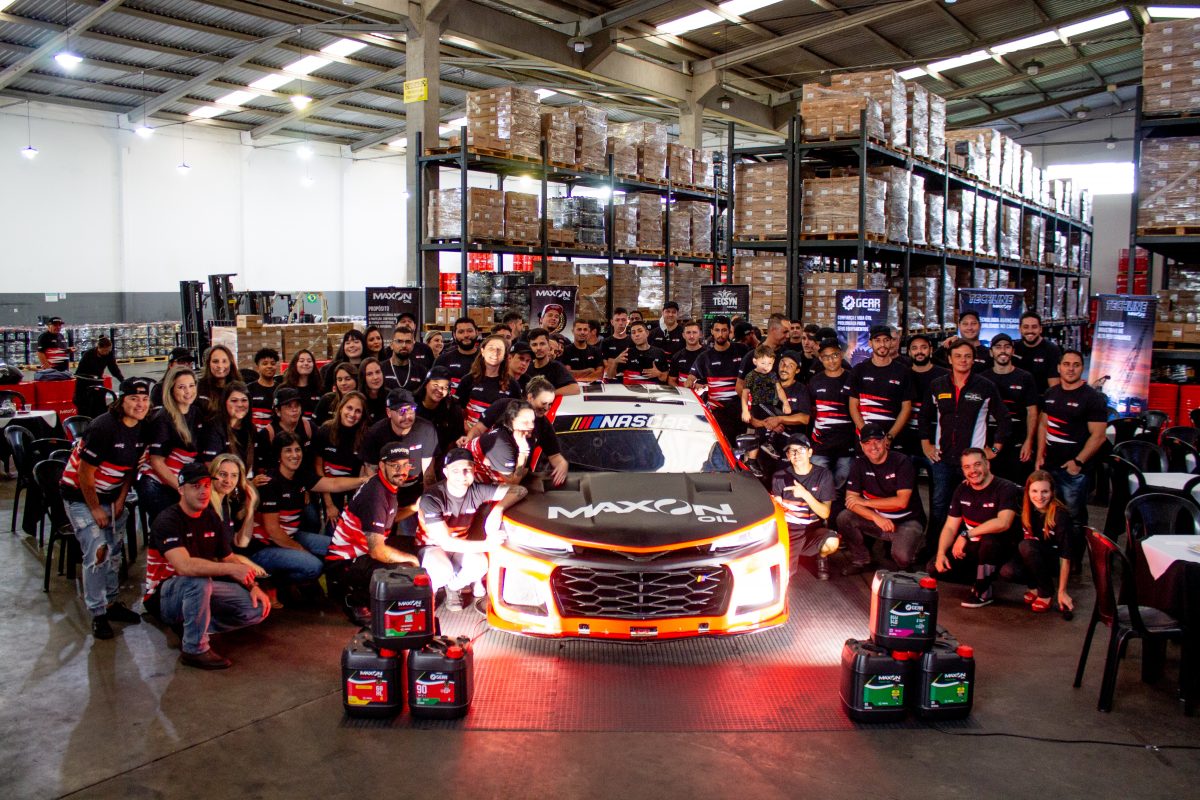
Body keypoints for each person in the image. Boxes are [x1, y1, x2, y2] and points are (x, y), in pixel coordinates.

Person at [141, 462, 270, 669]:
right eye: (195, 486)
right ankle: (194, 650)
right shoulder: (167, 520)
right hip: (164, 594)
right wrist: (232, 569)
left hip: (201, 588)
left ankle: (194, 626)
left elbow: (228, 557)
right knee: (198, 581)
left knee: (258, 608)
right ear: (181, 490)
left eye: (207, 485)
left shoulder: (210, 517)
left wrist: (252, 586)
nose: (203, 491)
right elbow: (184, 566)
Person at [60, 377, 152, 639]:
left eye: (144, 399)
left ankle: (111, 603)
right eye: (133, 399)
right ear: (121, 401)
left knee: (113, 552)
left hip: (112, 496)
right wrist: (96, 509)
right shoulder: (103, 427)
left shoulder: (143, 428)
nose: (140, 404)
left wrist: (120, 500)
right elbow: (84, 473)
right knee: (97, 551)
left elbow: (131, 469)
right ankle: (98, 613)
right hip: (80, 496)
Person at [920, 337, 1011, 546]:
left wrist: (995, 449)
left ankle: (967, 547)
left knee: (972, 506)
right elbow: (924, 416)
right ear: (949, 359)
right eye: (958, 356)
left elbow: (1004, 419)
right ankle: (933, 547)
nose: (963, 360)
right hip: (943, 458)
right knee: (939, 504)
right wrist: (926, 444)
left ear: (973, 360)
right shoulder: (937, 385)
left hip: (972, 463)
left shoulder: (985, 386)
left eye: (967, 356)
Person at [249, 432, 368, 588]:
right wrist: (301, 550)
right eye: (288, 450)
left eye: (297, 450)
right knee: (314, 566)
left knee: (343, 545)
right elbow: (273, 531)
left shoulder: (301, 476)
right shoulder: (269, 482)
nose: (295, 455)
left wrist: (364, 480)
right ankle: (273, 585)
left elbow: (333, 484)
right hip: (265, 547)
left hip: (291, 536)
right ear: (279, 455)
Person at [417, 448, 527, 611]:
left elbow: (520, 490)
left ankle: (453, 586)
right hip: (432, 547)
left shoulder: (477, 490)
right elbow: (446, 543)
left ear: (474, 470)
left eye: (467, 470)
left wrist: (498, 509)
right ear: (446, 472)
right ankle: (426, 598)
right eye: (455, 470)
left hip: (460, 545)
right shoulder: (432, 497)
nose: (462, 475)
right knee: (441, 570)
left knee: (480, 564)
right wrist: (487, 545)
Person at [325, 442, 420, 625]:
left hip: (363, 553)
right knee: (406, 568)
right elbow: (377, 551)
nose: (401, 471)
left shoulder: (385, 485)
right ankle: (354, 599)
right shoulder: (375, 495)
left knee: (413, 550)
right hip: (345, 563)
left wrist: (414, 507)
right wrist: (411, 560)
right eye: (395, 465)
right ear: (382, 466)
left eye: (405, 465)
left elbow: (389, 518)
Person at [1036, 349, 1108, 557]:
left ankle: (1074, 560)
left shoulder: (1092, 398)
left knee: (1074, 518)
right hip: (1049, 465)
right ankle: (1053, 557)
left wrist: (1078, 462)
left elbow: (1099, 436)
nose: (1070, 369)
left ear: (1082, 369)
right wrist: (1040, 454)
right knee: (1048, 513)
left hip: (1074, 470)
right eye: (1066, 364)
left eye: (1076, 365)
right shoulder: (1051, 394)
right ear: (1059, 368)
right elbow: (1043, 425)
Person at [930, 448, 1022, 608]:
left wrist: (966, 534)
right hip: (974, 548)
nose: (973, 470)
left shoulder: (1005, 487)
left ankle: (983, 591)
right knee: (933, 568)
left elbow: (1003, 522)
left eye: (977, 464)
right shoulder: (962, 489)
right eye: (967, 467)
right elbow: (950, 527)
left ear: (987, 464)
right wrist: (941, 554)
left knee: (989, 541)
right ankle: (983, 577)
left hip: (1001, 548)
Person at [837, 424, 926, 574]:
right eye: (867, 442)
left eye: (877, 441)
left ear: (885, 441)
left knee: (902, 558)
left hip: (906, 520)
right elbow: (850, 502)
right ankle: (861, 560)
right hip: (879, 518)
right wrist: (875, 517)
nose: (873, 446)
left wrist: (865, 502)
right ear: (861, 445)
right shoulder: (859, 464)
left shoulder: (902, 461)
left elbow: (901, 502)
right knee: (844, 518)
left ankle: (907, 562)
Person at [359, 389, 439, 535]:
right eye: (401, 411)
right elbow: (371, 473)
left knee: (414, 534)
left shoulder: (426, 429)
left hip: (414, 489)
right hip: (386, 490)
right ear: (389, 413)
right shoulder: (375, 434)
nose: (407, 416)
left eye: (411, 410)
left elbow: (429, 472)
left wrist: (427, 503)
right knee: (383, 533)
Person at [138, 366, 211, 526]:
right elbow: (157, 462)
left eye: (191, 385)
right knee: (170, 528)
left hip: (181, 481)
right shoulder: (163, 418)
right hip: (157, 484)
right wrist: (182, 489)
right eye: (181, 387)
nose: (188, 391)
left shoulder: (197, 412)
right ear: (171, 389)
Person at [466, 377, 568, 486]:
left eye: (550, 404)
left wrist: (562, 464)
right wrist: (467, 446)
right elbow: (478, 429)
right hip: (493, 471)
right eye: (544, 403)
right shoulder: (502, 413)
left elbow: (555, 455)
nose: (547, 408)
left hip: (517, 472)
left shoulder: (543, 424)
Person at [770, 434, 838, 580]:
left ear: (810, 453)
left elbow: (825, 513)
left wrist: (805, 494)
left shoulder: (823, 475)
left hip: (810, 530)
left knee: (832, 541)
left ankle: (821, 557)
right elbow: (776, 509)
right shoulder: (779, 476)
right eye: (792, 451)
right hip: (788, 530)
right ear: (788, 455)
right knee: (782, 573)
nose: (796, 454)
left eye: (801, 450)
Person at [982, 333, 1039, 487]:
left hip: (1017, 444)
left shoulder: (1025, 377)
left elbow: (1032, 412)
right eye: (998, 347)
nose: (1003, 351)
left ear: (1013, 351)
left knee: (1018, 489)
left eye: (1007, 347)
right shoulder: (982, 379)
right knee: (992, 489)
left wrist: (1029, 442)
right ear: (991, 352)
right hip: (991, 445)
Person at [1014, 471, 1075, 614]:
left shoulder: (1060, 515)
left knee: (1026, 545)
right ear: (1027, 491)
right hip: (1034, 557)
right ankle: (1034, 586)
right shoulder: (1025, 507)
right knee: (1008, 571)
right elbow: (1005, 485)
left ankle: (1046, 592)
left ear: (1052, 492)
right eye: (1034, 491)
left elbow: (1066, 557)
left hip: (1054, 561)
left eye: (1045, 492)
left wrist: (1062, 591)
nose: (1039, 496)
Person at [848, 324, 913, 444]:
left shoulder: (903, 371)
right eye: (877, 340)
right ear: (870, 343)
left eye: (886, 340)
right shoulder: (859, 370)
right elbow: (853, 406)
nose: (882, 344)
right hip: (865, 441)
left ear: (891, 342)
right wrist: (868, 435)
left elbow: (906, 407)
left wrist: (890, 436)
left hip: (893, 440)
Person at [312, 391, 368, 520]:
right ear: (341, 408)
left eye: (358, 411)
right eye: (349, 408)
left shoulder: (365, 437)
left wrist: (355, 503)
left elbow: (364, 473)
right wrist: (329, 504)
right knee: (331, 530)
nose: (352, 414)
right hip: (329, 492)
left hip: (353, 493)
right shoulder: (325, 431)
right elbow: (318, 467)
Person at [808, 337, 857, 488]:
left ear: (841, 355)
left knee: (843, 481)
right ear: (820, 359)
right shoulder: (815, 381)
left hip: (847, 443)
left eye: (835, 355)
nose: (831, 360)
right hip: (821, 444)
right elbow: (812, 411)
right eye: (826, 357)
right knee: (819, 483)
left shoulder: (852, 379)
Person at [690, 315, 744, 446]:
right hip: (717, 415)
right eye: (717, 330)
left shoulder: (742, 350)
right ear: (712, 332)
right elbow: (690, 378)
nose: (720, 334)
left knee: (740, 450)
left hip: (740, 413)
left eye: (724, 330)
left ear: (729, 331)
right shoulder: (704, 357)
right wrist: (693, 384)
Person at [741, 345, 792, 466]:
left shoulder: (772, 375)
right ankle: (761, 446)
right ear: (755, 361)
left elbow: (779, 389)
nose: (766, 367)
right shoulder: (751, 376)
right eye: (763, 363)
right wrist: (745, 410)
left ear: (773, 362)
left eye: (769, 363)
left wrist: (785, 403)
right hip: (758, 405)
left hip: (770, 405)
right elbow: (744, 394)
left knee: (783, 419)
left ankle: (769, 441)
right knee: (766, 423)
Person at [456, 335, 520, 425]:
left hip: (498, 432)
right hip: (471, 431)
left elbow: (516, 415)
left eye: (500, 349)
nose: (495, 353)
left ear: (505, 355)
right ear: (482, 351)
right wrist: (465, 427)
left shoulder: (512, 384)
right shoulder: (468, 380)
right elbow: (458, 410)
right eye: (491, 348)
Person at [470, 399, 537, 485]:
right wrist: (524, 451)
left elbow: (523, 472)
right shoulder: (501, 444)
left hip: (494, 479)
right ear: (511, 421)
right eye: (525, 422)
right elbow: (513, 484)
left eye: (533, 421)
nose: (532, 426)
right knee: (520, 491)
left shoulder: (526, 435)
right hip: (471, 484)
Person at [255, 387, 315, 475]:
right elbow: (261, 467)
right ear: (277, 411)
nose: (294, 410)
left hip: (306, 477)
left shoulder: (309, 427)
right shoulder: (266, 434)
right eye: (289, 406)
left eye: (297, 405)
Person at [415, 366, 466, 464]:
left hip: (440, 459)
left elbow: (457, 438)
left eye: (445, 387)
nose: (440, 390)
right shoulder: (412, 405)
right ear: (426, 384)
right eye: (436, 385)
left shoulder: (452, 409)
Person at [205, 382, 256, 476]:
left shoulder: (251, 428)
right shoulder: (214, 427)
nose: (240, 404)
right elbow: (210, 466)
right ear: (225, 402)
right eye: (234, 400)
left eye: (244, 400)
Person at [73, 336, 125, 419]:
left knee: (100, 404)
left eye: (108, 350)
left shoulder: (109, 355)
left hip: (97, 381)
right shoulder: (88, 354)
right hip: (84, 382)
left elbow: (114, 369)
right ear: (99, 348)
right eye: (104, 351)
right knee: (84, 405)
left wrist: (122, 380)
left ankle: (99, 420)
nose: (106, 353)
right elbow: (79, 372)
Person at [1012, 311, 1062, 394]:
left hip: (1042, 397)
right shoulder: (1013, 348)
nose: (1030, 331)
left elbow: (1054, 387)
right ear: (1020, 329)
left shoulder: (1052, 350)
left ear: (1040, 329)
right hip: (1017, 396)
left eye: (1034, 327)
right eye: (1026, 327)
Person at [605, 320, 668, 385]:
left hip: (653, 390)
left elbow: (666, 378)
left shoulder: (659, 353)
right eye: (633, 332)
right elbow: (610, 376)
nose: (637, 334)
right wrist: (615, 362)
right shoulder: (626, 354)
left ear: (647, 333)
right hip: (631, 390)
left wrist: (659, 374)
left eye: (640, 331)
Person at [525, 327, 579, 395]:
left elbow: (575, 388)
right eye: (534, 345)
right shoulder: (525, 367)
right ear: (530, 347)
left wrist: (546, 394)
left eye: (542, 344)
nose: (538, 348)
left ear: (548, 345)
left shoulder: (556, 367)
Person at [435, 317, 481, 393]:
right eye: (461, 332)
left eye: (470, 331)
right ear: (454, 335)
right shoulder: (443, 360)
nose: (466, 335)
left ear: (477, 332)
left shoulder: (486, 359)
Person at [382, 324, 431, 394]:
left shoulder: (421, 371)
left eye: (408, 342)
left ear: (413, 346)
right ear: (391, 345)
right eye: (399, 341)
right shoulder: (380, 369)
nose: (404, 345)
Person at [282, 348, 322, 422]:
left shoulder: (320, 389)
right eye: (301, 361)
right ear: (295, 364)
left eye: (309, 361)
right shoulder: (283, 389)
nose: (306, 363)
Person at [196, 344, 236, 419]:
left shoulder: (239, 387)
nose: (220, 366)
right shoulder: (198, 388)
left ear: (231, 363)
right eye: (215, 361)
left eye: (224, 361)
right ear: (208, 364)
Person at [314, 362, 357, 426]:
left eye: (348, 379)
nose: (343, 383)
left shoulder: (363, 400)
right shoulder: (327, 399)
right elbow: (315, 425)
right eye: (339, 380)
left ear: (356, 380)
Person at [247, 347, 280, 432]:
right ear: (257, 367)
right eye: (265, 364)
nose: (269, 366)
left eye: (273, 364)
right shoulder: (248, 389)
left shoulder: (281, 389)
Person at [668, 320, 705, 388]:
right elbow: (671, 380)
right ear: (683, 335)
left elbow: (715, 381)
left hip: (704, 394)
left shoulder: (708, 355)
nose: (691, 336)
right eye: (688, 333)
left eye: (694, 332)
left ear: (700, 334)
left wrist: (703, 387)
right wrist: (682, 392)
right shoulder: (677, 356)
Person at [357, 356, 389, 424]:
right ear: (363, 377)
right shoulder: (357, 400)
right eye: (369, 374)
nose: (375, 377)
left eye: (378, 372)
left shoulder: (391, 396)